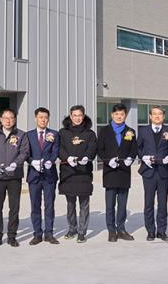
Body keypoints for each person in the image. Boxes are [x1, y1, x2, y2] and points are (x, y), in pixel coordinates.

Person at [0, 108, 29, 247]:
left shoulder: (21, 135)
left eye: (11, 118)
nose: (8, 120)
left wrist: (16, 164)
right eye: (5, 118)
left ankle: (12, 236)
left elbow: (24, 153)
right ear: (0, 119)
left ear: (14, 120)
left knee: (14, 208)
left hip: (14, 176)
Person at [97, 103, 137, 242]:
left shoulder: (130, 131)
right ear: (112, 115)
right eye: (116, 114)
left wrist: (130, 159)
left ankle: (121, 229)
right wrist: (108, 161)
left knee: (122, 204)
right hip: (110, 171)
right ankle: (111, 230)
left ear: (125, 115)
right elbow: (100, 149)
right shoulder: (104, 131)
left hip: (124, 172)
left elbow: (134, 149)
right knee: (110, 205)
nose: (119, 117)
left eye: (121, 114)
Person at [58, 104, 97, 243]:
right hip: (68, 173)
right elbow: (59, 148)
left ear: (84, 116)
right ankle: (72, 228)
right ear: (70, 116)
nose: (77, 118)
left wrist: (87, 157)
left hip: (83, 172)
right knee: (70, 203)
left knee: (84, 203)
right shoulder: (63, 133)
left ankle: (82, 232)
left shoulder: (90, 133)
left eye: (80, 115)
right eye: (74, 115)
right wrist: (67, 158)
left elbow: (93, 148)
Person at [137, 105, 168, 241]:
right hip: (148, 172)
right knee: (148, 203)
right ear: (150, 116)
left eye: (160, 114)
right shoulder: (143, 131)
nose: (157, 116)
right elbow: (138, 147)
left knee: (162, 203)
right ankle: (150, 231)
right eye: (154, 114)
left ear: (163, 116)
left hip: (163, 172)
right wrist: (143, 157)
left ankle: (161, 231)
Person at [26, 107, 60, 245]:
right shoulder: (28, 135)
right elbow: (26, 153)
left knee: (49, 205)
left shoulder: (54, 134)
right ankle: (37, 234)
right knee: (35, 205)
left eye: (46, 117)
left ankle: (49, 233)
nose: (43, 120)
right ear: (36, 118)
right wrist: (31, 162)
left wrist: (50, 161)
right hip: (34, 175)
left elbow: (55, 151)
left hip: (49, 174)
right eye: (41, 117)